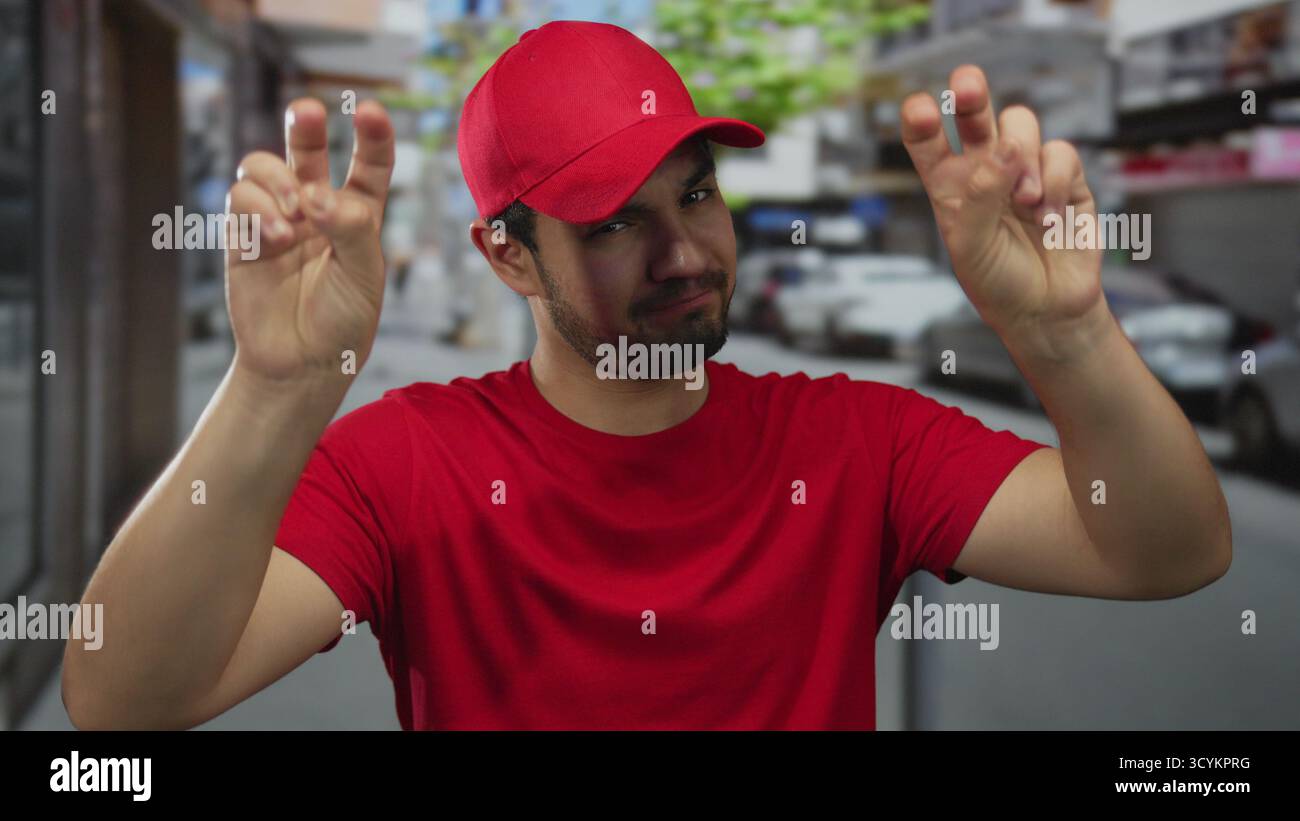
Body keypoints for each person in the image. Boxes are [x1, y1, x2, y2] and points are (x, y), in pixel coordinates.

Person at [62, 21, 1232, 730]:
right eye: (614, 222)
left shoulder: (852, 440)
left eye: (695, 193)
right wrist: (274, 387)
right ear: (506, 253)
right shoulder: (409, 460)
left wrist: (1068, 333)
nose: (686, 252)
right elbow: (122, 697)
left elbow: (1167, 549)